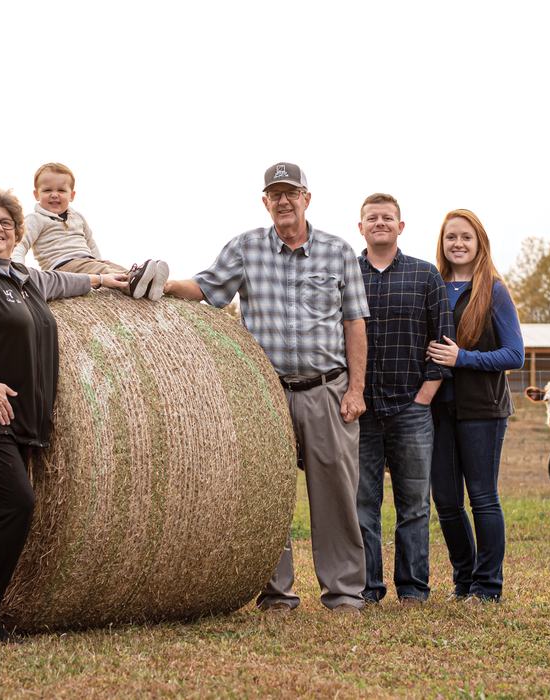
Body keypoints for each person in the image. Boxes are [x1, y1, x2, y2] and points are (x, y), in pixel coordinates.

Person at [164, 162, 369, 613]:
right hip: (267, 394)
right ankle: (277, 593)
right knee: (269, 494)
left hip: (327, 390)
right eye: (274, 194)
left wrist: (355, 390)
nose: (283, 201)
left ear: (306, 198)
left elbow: (354, 322)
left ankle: (345, 593)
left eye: (291, 192)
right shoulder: (246, 248)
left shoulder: (339, 252)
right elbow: (206, 287)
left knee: (335, 494)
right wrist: (161, 283)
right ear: (265, 201)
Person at [0, 185, 127, 643]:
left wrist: (100, 281)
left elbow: (58, 283)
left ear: (18, 233)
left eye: (6, 223)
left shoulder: (19, 276)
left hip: (14, 417)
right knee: (16, 503)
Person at [355, 193, 453, 606]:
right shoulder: (347, 275)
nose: (380, 223)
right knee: (363, 505)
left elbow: (443, 338)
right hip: (360, 410)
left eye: (387, 218)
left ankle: (413, 590)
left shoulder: (425, 276)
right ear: (360, 227)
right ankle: (368, 588)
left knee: (413, 504)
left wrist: (425, 395)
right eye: (372, 218)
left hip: (411, 409)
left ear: (401, 226)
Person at [426, 209, 524, 603]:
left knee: (482, 497)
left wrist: (463, 359)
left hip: (483, 409)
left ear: (479, 242)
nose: (458, 244)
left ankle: (488, 587)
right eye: (451, 237)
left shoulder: (494, 290)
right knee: (446, 502)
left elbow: (514, 354)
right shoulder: (432, 285)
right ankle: (464, 579)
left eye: (466, 237)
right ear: (442, 243)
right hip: (439, 409)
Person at [11, 162, 169, 300]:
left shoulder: (78, 217)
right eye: (47, 190)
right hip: (64, 267)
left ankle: (149, 285)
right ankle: (133, 284)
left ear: (72, 195)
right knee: (106, 271)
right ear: (36, 194)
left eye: (61, 190)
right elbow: (21, 244)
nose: (54, 195)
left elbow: (90, 242)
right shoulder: (35, 219)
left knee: (116, 268)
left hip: (89, 261)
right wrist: (18, 269)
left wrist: (98, 260)